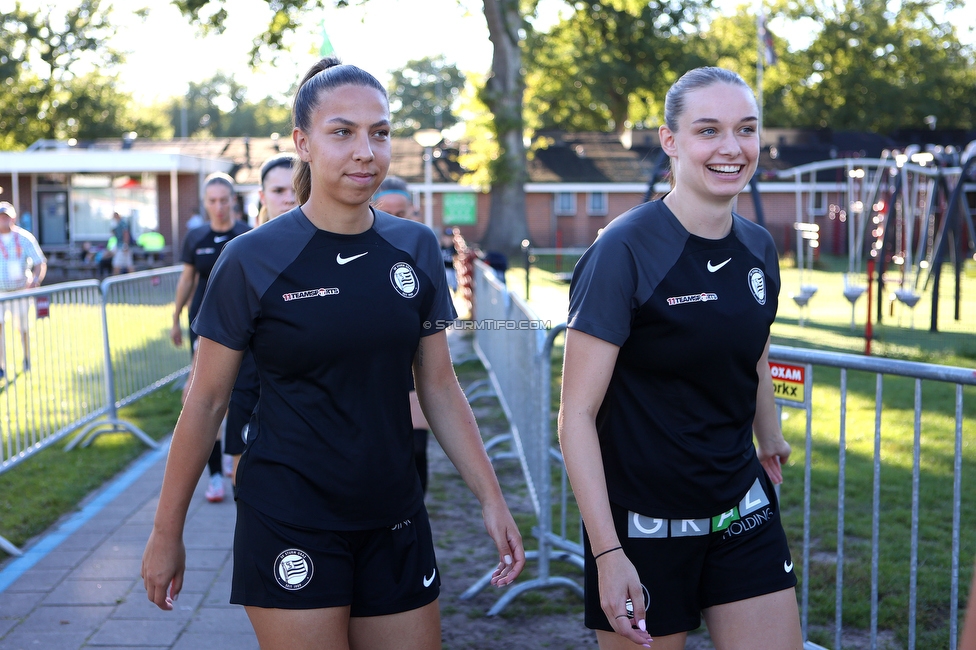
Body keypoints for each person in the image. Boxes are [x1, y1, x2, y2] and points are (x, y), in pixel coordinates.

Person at [142, 57, 525, 649]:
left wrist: (491, 497)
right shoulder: (251, 260)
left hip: (394, 514)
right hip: (290, 517)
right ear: (303, 143)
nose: (365, 151)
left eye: (380, 132)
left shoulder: (415, 248)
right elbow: (206, 401)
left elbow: (440, 387)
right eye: (342, 132)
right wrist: (167, 531)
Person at [558, 67, 802, 650]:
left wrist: (768, 435)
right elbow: (575, 417)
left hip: (741, 512)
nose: (731, 148)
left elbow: (753, 345)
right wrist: (608, 552)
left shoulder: (757, 245)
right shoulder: (623, 250)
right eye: (708, 130)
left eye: (745, 129)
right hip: (642, 530)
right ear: (671, 142)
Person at [170, 172, 250, 503]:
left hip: (241, 329)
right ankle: (215, 475)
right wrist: (174, 317)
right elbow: (187, 280)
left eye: (223, 200)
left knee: (236, 397)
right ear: (205, 204)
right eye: (212, 201)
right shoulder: (196, 238)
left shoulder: (247, 235)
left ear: (233, 200)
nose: (218, 207)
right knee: (204, 397)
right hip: (204, 329)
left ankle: (234, 458)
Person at [223, 152, 298, 494]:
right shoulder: (242, 254)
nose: (290, 198)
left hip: (298, 394)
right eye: (280, 190)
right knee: (246, 487)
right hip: (247, 385)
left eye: (297, 188)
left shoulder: (325, 250)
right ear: (263, 196)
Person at [371, 175, 431, 493]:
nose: (395, 221)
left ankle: (415, 512)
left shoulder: (421, 250)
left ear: (413, 213)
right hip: (366, 375)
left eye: (402, 214)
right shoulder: (355, 252)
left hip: (410, 370)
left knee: (416, 448)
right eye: (386, 213)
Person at [0, 202, 46, 380]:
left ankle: (26, 358)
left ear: (13, 218)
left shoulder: (24, 237)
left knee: (23, 327)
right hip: (1, 292)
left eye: (6, 216)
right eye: (1, 217)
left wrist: (35, 280)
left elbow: (39, 262)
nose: (4, 220)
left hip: (20, 291)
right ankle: (1, 366)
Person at [440, 228, 458, 293]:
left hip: (452, 270)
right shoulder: (440, 247)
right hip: (443, 270)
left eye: (450, 238)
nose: (448, 240)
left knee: (454, 287)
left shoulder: (454, 248)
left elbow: (458, 258)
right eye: (446, 237)